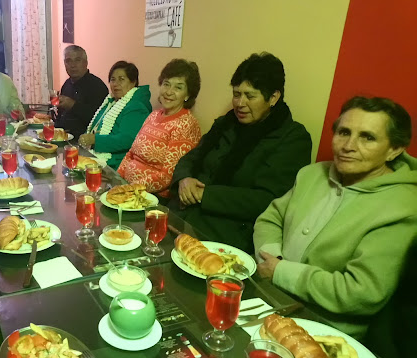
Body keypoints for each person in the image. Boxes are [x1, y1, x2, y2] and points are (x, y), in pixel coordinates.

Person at [254, 96, 417, 339]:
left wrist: (282, 272)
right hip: (268, 299)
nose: (348, 145)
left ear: (394, 149)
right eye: (343, 132)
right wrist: (273, 261)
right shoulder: (311, 174)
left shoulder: (403, 206)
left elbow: (361, 292)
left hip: (323, 332)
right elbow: (270, 219)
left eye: (367, 137)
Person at [169, 52, 312, 253]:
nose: (240, 103)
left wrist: (205, 195)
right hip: (183, 216)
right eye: (236, 94)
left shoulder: (292, 138)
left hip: (227, 235)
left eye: (250, 96)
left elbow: (269, 199)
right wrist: (184, 179)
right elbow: (191, 157)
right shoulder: (226, 124)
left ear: (273, 97)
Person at [117, 59, 202, 196]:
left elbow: (167, 176)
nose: (169, 92)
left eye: (178, 87)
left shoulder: (186, 124)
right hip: (128, 189)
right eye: (166, 84)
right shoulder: (154, 115)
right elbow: (130, 154)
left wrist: (130, 189)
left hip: (152, 197)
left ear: (188, 95)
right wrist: (117, 180)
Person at [76, 61, 151, 169]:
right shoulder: (111, 102)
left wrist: (95, 140)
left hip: (116, 164)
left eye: (121, 79)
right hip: (92, 155)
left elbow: (127, 139)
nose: (115, 84)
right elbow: (95, 127)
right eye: (113, 79)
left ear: (133, 82)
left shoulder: (136, 106)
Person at [55, 45, 109, 139]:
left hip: (84, 142)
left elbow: (99, 121)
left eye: (77, 60)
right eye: (68, 61)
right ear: (64, 64)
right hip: (62, 138)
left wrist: (73, 105)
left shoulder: (97, 86)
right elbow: (60, 116)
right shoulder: (67, 84)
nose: (73, 65)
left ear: (86, 63)